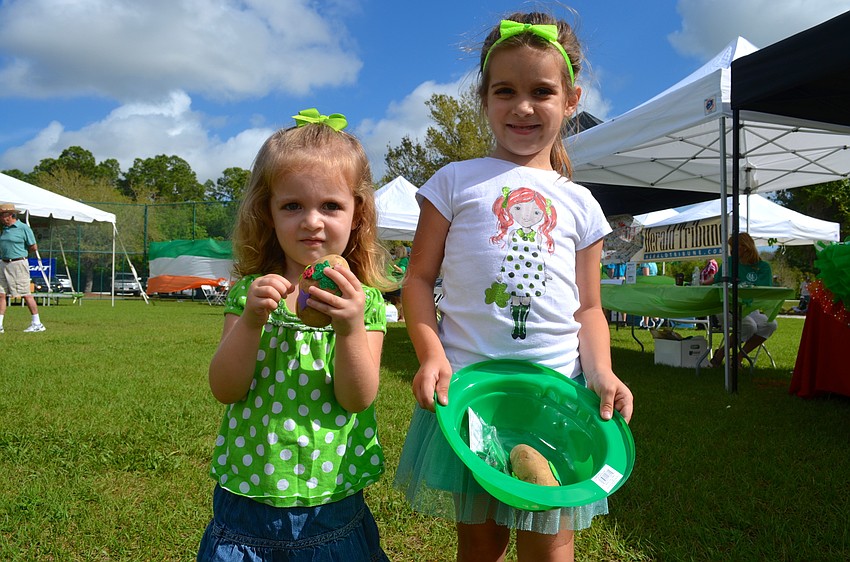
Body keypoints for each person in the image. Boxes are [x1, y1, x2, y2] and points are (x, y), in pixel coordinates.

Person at [393, 12, 633, 562]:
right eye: (505, 91)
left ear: (571, 100)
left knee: (551, 543)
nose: (522, 106)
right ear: (483, 99)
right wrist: (431, 355)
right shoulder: (453, 182)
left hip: (556, 397)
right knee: (481, 542)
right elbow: (418, 281)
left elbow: (589, 308)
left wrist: (601, 371)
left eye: (541, 91)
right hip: (471, 396)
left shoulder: (582, 203)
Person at [196, 109, 393, 561]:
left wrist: (350, 327)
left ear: (357, 214)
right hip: (249, 499)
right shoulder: (251, 293)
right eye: (292, 206)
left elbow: (357, 398)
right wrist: (250, 322)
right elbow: (225, 389)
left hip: (333, 502)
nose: (311, 221)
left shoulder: (365, 303)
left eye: (331, 206)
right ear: (268, 212)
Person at [702, 233, 777, 368]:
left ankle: (738, 356)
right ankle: (722, 354)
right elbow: (717, 281)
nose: (731, 251)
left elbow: (764, 291)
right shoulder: (729, 263)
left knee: (771, 324)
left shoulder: (763, 267)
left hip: (749, 308)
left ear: (746, 247)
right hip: (727, 307)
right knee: (749, 326)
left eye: (734, 247)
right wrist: (702, 283)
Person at [0, 203, 46, 333]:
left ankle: (37, 323)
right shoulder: (4, 229)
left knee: (25, 293)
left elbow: (33, 246)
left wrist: (20, 254)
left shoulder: (23, 228)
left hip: (18, 263)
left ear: (10, 215)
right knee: (1, 294)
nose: (1, 218)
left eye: (3, 215)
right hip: (3, 263)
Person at [384, 244, 409, 321]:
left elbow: (402, 270)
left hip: (400, 283)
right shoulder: (398, 260)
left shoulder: (404, 260)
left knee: (400, 302)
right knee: (396, 301)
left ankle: (402, 317)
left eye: (397, 252)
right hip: (394, 283)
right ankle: (398, 316)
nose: (396, 253)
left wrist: (394, 266)